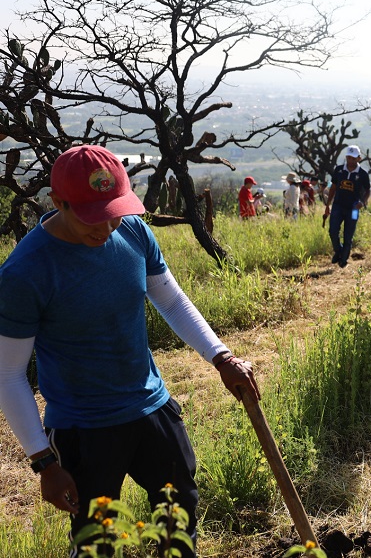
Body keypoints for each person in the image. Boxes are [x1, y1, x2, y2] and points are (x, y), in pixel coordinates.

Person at [0, 145, 260, 557]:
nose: (105, 229)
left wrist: (221, 356)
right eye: (90, 216)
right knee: (96, 542)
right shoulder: (25, 273)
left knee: (179, 518)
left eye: (113, 211)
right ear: (58, 202)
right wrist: (44, 463)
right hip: (84, 429)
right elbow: (9, 374)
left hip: (151, 408)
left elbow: (171, 302)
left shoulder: (134, 232)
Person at [325, 145, 371, 268]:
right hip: (338, 206)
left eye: (353, 158)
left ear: (359, 159)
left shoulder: (363, 174)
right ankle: (339, 251)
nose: (350, 161)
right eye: (348, 158)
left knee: (348, 234)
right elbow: (333, 187)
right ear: (346, 157)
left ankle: (343, 259)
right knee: (333, 231)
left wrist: (363, 202)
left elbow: (367, 191)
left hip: (354, 208)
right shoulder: (339, 170)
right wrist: (328, 205)